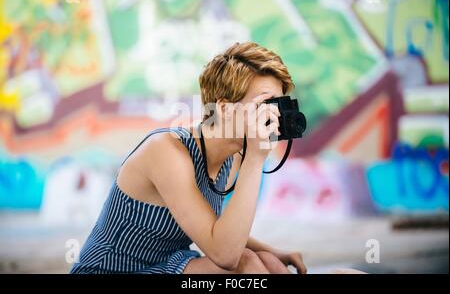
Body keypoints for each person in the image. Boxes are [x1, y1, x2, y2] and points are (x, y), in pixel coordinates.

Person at [70, 42, 307, 274]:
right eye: (266, 103)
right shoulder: (165, 151)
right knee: (245, 265)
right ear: (224, 109)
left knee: (268, 263)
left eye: (279, 103)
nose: (274, 114)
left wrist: (274, 252)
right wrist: (256, 158)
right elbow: (226, 256)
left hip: (167, 264)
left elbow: (218, 229)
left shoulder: (232, 156)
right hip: (109, 270)